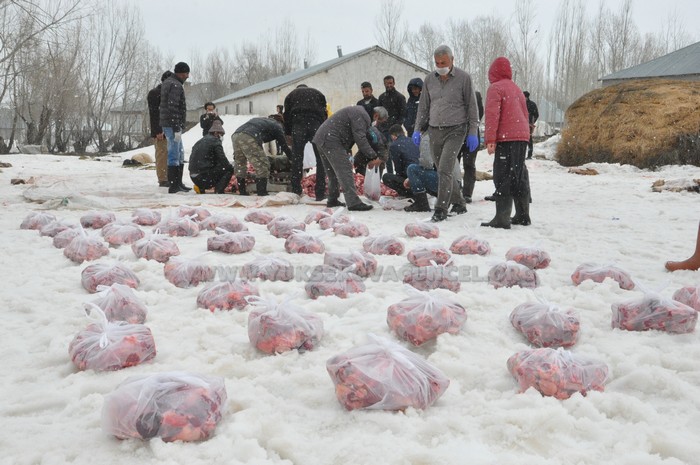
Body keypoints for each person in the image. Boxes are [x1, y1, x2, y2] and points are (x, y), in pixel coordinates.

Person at [413, 45, 479, 222]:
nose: (440, 66)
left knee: (444, 169)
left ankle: (441, 208)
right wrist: (417, 129)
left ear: (452, 60)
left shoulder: (464, 78)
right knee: (442, 170)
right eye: (437, 63)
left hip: (456, 130)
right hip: (435, 130)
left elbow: (472, 107)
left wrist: (473, 131)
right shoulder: (429, 80)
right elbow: (423, 107)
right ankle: (459, 202)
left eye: (444, 62)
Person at [481, 56, 532, 229]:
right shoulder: (516, 88)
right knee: (518, 174)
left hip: (507, 138)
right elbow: (525, 114)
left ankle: (502, 218)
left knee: (503, 175)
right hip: (521, 137)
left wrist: (490, 139)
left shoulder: (495, 88)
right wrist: (526, 135)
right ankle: (523, 215)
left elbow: (492, 115)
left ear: (493, 73)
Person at [312, 105, 388, 211]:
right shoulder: (362, 115)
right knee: (345, 170)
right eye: (378, 120)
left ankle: (333, 199)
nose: (376, 123)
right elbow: (360, 139)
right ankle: (353, 202)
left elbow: (351, 134)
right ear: (376, 115)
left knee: (333, 172)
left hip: (322, 137)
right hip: (331, 139)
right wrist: (373, 156)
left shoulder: (358, 111)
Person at [283, 84, 328, 199]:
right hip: (316, 124)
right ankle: (320, 192)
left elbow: (286, 116)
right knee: (321, 159)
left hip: (298, 124)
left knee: (297, 159)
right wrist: (322, 129)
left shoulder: (291, 95)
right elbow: (324, 113)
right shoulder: (318, 93)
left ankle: (296, 191)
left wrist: (288, 133)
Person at [232, 115, 292, 196]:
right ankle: (261, 191)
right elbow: (284, 146)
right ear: (281, 122)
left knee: (240, 164)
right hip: (249, 136)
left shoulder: (261, 121)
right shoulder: (277, 126)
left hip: (236, 135)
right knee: (263, 164)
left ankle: (242, 191)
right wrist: (292, 158)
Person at [403, 134, 462, 213]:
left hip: (446, 182)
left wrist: (411, 178)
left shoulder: (427, 138)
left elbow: (427, 163)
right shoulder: (443, 135)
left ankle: (421, 203)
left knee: (412, 169)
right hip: (455, 182)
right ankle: (444, 198)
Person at [160, 61, 191, 194]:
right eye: (186, 73)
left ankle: (178, 183)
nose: (187, 76)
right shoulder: (175, 85)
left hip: (170, 123)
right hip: (172, 125)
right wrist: (176, 126)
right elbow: (173, 107)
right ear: (180, 73)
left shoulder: (169, 83)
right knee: (174, 153)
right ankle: (174, 185)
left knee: (179, 153)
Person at [189, 120, 233, 194]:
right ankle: (219, 190)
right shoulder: (215, 141)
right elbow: (223, 160)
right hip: (204, 177)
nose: (222, 137)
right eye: (221, 135)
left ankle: (201, 187)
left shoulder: (200, 141)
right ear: (216, 133)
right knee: (228, 169)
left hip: (194, 177)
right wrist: (231, 167)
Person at [458, 90, 484, 203]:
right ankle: (456, 190)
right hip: (456, 133)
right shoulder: (454, 92)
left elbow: (479, 113)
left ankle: (467, 193)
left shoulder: (475, 94)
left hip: (471, 133)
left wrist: (471, 128)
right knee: (454, 164)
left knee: (469, 164)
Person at [146, 71, 171, 187]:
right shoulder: (155, 93)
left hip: (171, 129)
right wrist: (158, 130)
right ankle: (163, 178)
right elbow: (154, 113)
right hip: (161, 130)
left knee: (170, 154)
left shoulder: (171, 94)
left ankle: (170, 177)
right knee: (162, 154)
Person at [378, 76, 406, 174]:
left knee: (398, 154)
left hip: (395, 132)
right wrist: (380, 126)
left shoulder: (400, 97)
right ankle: (390, 176)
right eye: (387, 83)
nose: (389, 85)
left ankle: (400, 174)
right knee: (387, 155)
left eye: (390, 83)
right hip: (384, 130)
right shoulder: (381, 98)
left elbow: (403, 114)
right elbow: (379, 114)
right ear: (384, 84)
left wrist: (396, 127)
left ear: (394, 83)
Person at [381, 124, 419, 198]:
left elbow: (398, 168)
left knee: (386, 177)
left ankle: (407, 192)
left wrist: (399, 180)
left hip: (409, 179)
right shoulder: (412, 140)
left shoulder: (394, 145)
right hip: (419, 177)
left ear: (393, 135)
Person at [524, 91, 539, 159]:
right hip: (521, 124)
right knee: (522, 140)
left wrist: (532, 122)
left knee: (529, 139)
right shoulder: (520, 103)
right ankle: (522, 155)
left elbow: (536, 115)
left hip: (529, 124)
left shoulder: (532, 104)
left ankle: (529, 155)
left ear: (527, 97)